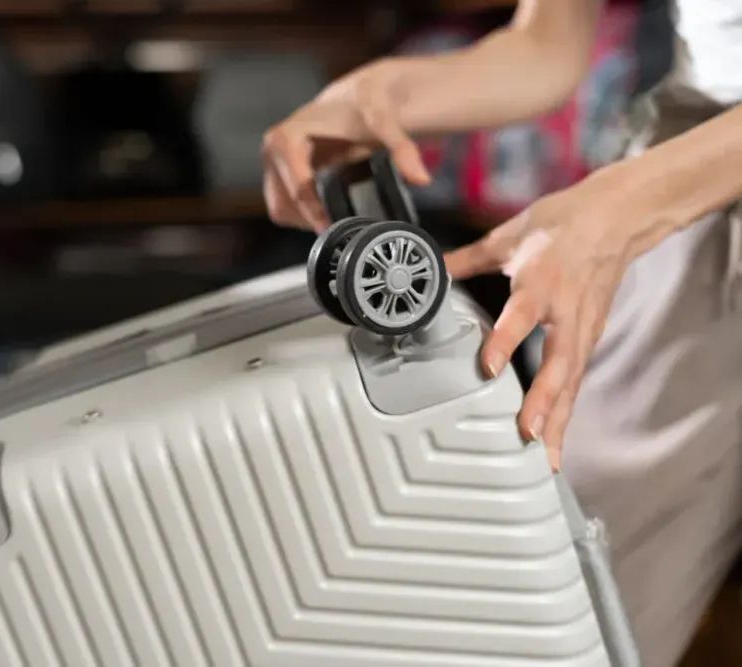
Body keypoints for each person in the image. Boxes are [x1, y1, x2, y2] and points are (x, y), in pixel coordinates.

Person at [262, 1, 742, 665]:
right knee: (566, 594)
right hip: (688, 192)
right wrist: (385, 93)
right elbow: (548, 41)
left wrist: (626, 204)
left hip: (660, 195)